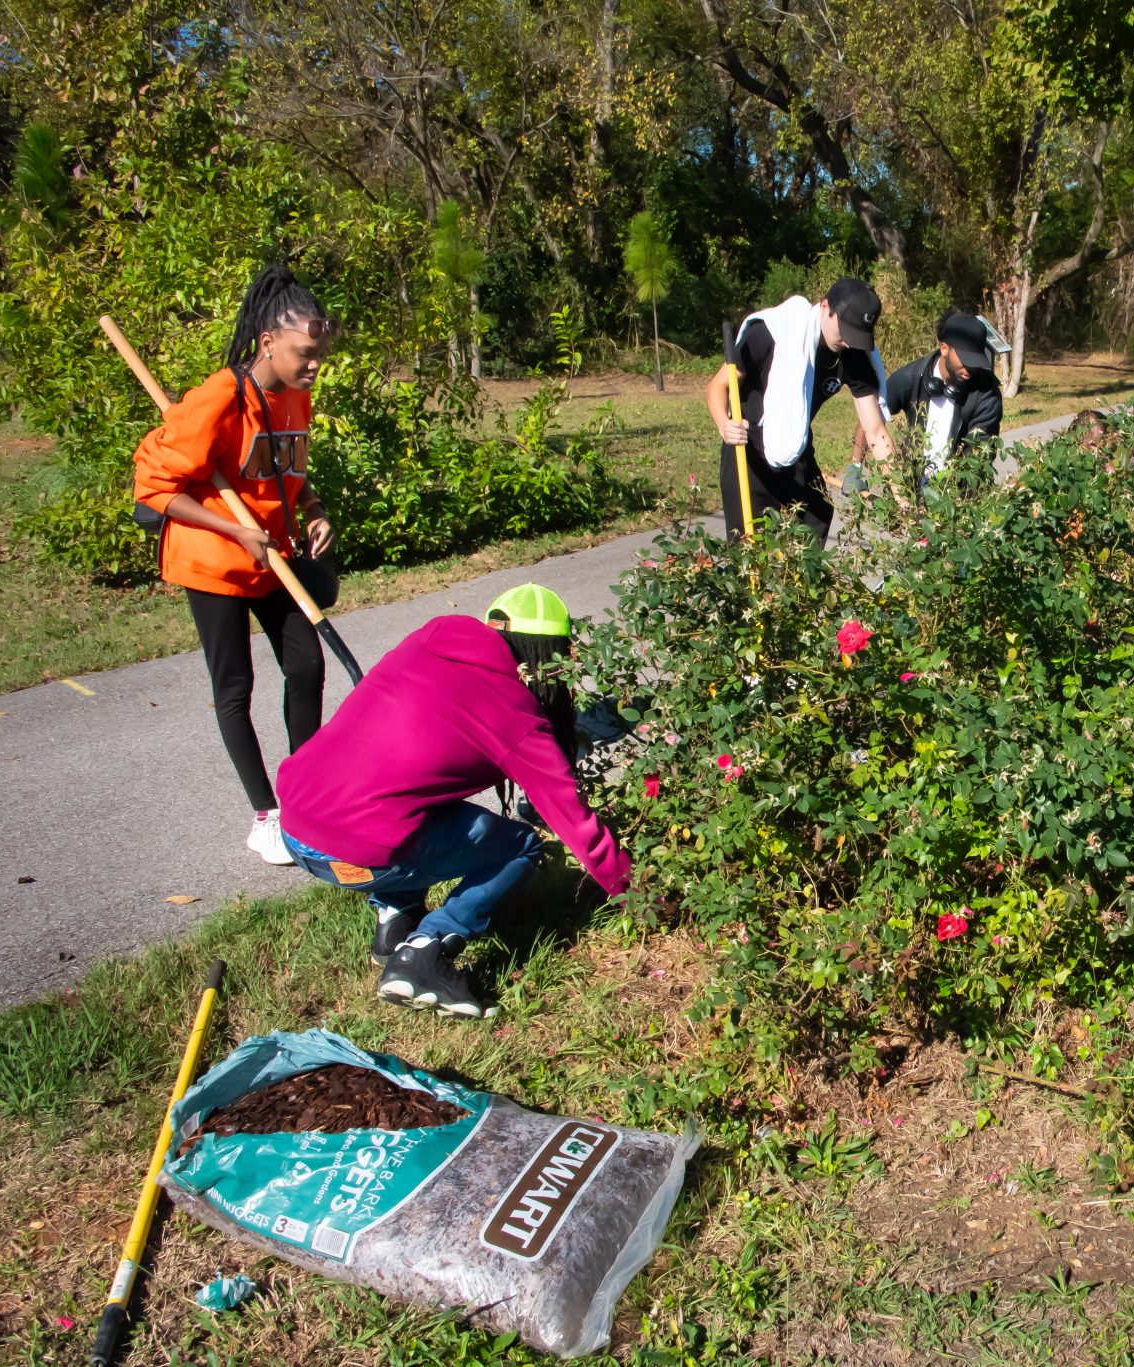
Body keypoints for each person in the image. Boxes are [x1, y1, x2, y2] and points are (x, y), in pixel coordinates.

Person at [277, 585, 631, 1018]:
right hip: (361, 850)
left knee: (417, 801)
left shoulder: (428, 641)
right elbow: (573, 822)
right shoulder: (512, 712)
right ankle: (424, 953)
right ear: (544, 654)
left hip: (296, 829)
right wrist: (633, 893)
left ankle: (394, 922)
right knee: (520, 846)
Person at [133, 265, 338, 867]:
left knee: (307, 665)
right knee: (236, 687)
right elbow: (154, 489)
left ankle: (310, 795)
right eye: (304, 354)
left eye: (319, 355)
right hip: (212, 561)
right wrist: (231, 527)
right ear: (268, 341)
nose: (314, 366)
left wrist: (314, 506)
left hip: (273, 557)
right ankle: (267, 816)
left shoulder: (295, 394)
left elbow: (282, 469)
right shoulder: (219, 397)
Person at [707, 277, 894, 545]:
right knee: (748, 546)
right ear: (826, 307)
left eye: (858, 335)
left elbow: (875, 431)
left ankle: (801, 584)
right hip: (747, 446)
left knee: (817, 514)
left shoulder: (852, 353)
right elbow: (718, 387)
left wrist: (903, 496)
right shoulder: (773, 332)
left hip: (796, 442)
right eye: (846, 331)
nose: (849, 342)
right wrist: (724, 424)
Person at [876, 309, 1003, 482]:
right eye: (965, 359)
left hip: (957, 494)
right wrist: (856, 467)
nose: (970, 368)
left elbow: (980, 455)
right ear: (944, 349)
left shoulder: (986, 393)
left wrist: (947, 497)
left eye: (976, 360)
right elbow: (872, 416)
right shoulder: (910, 377)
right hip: (912, 486)